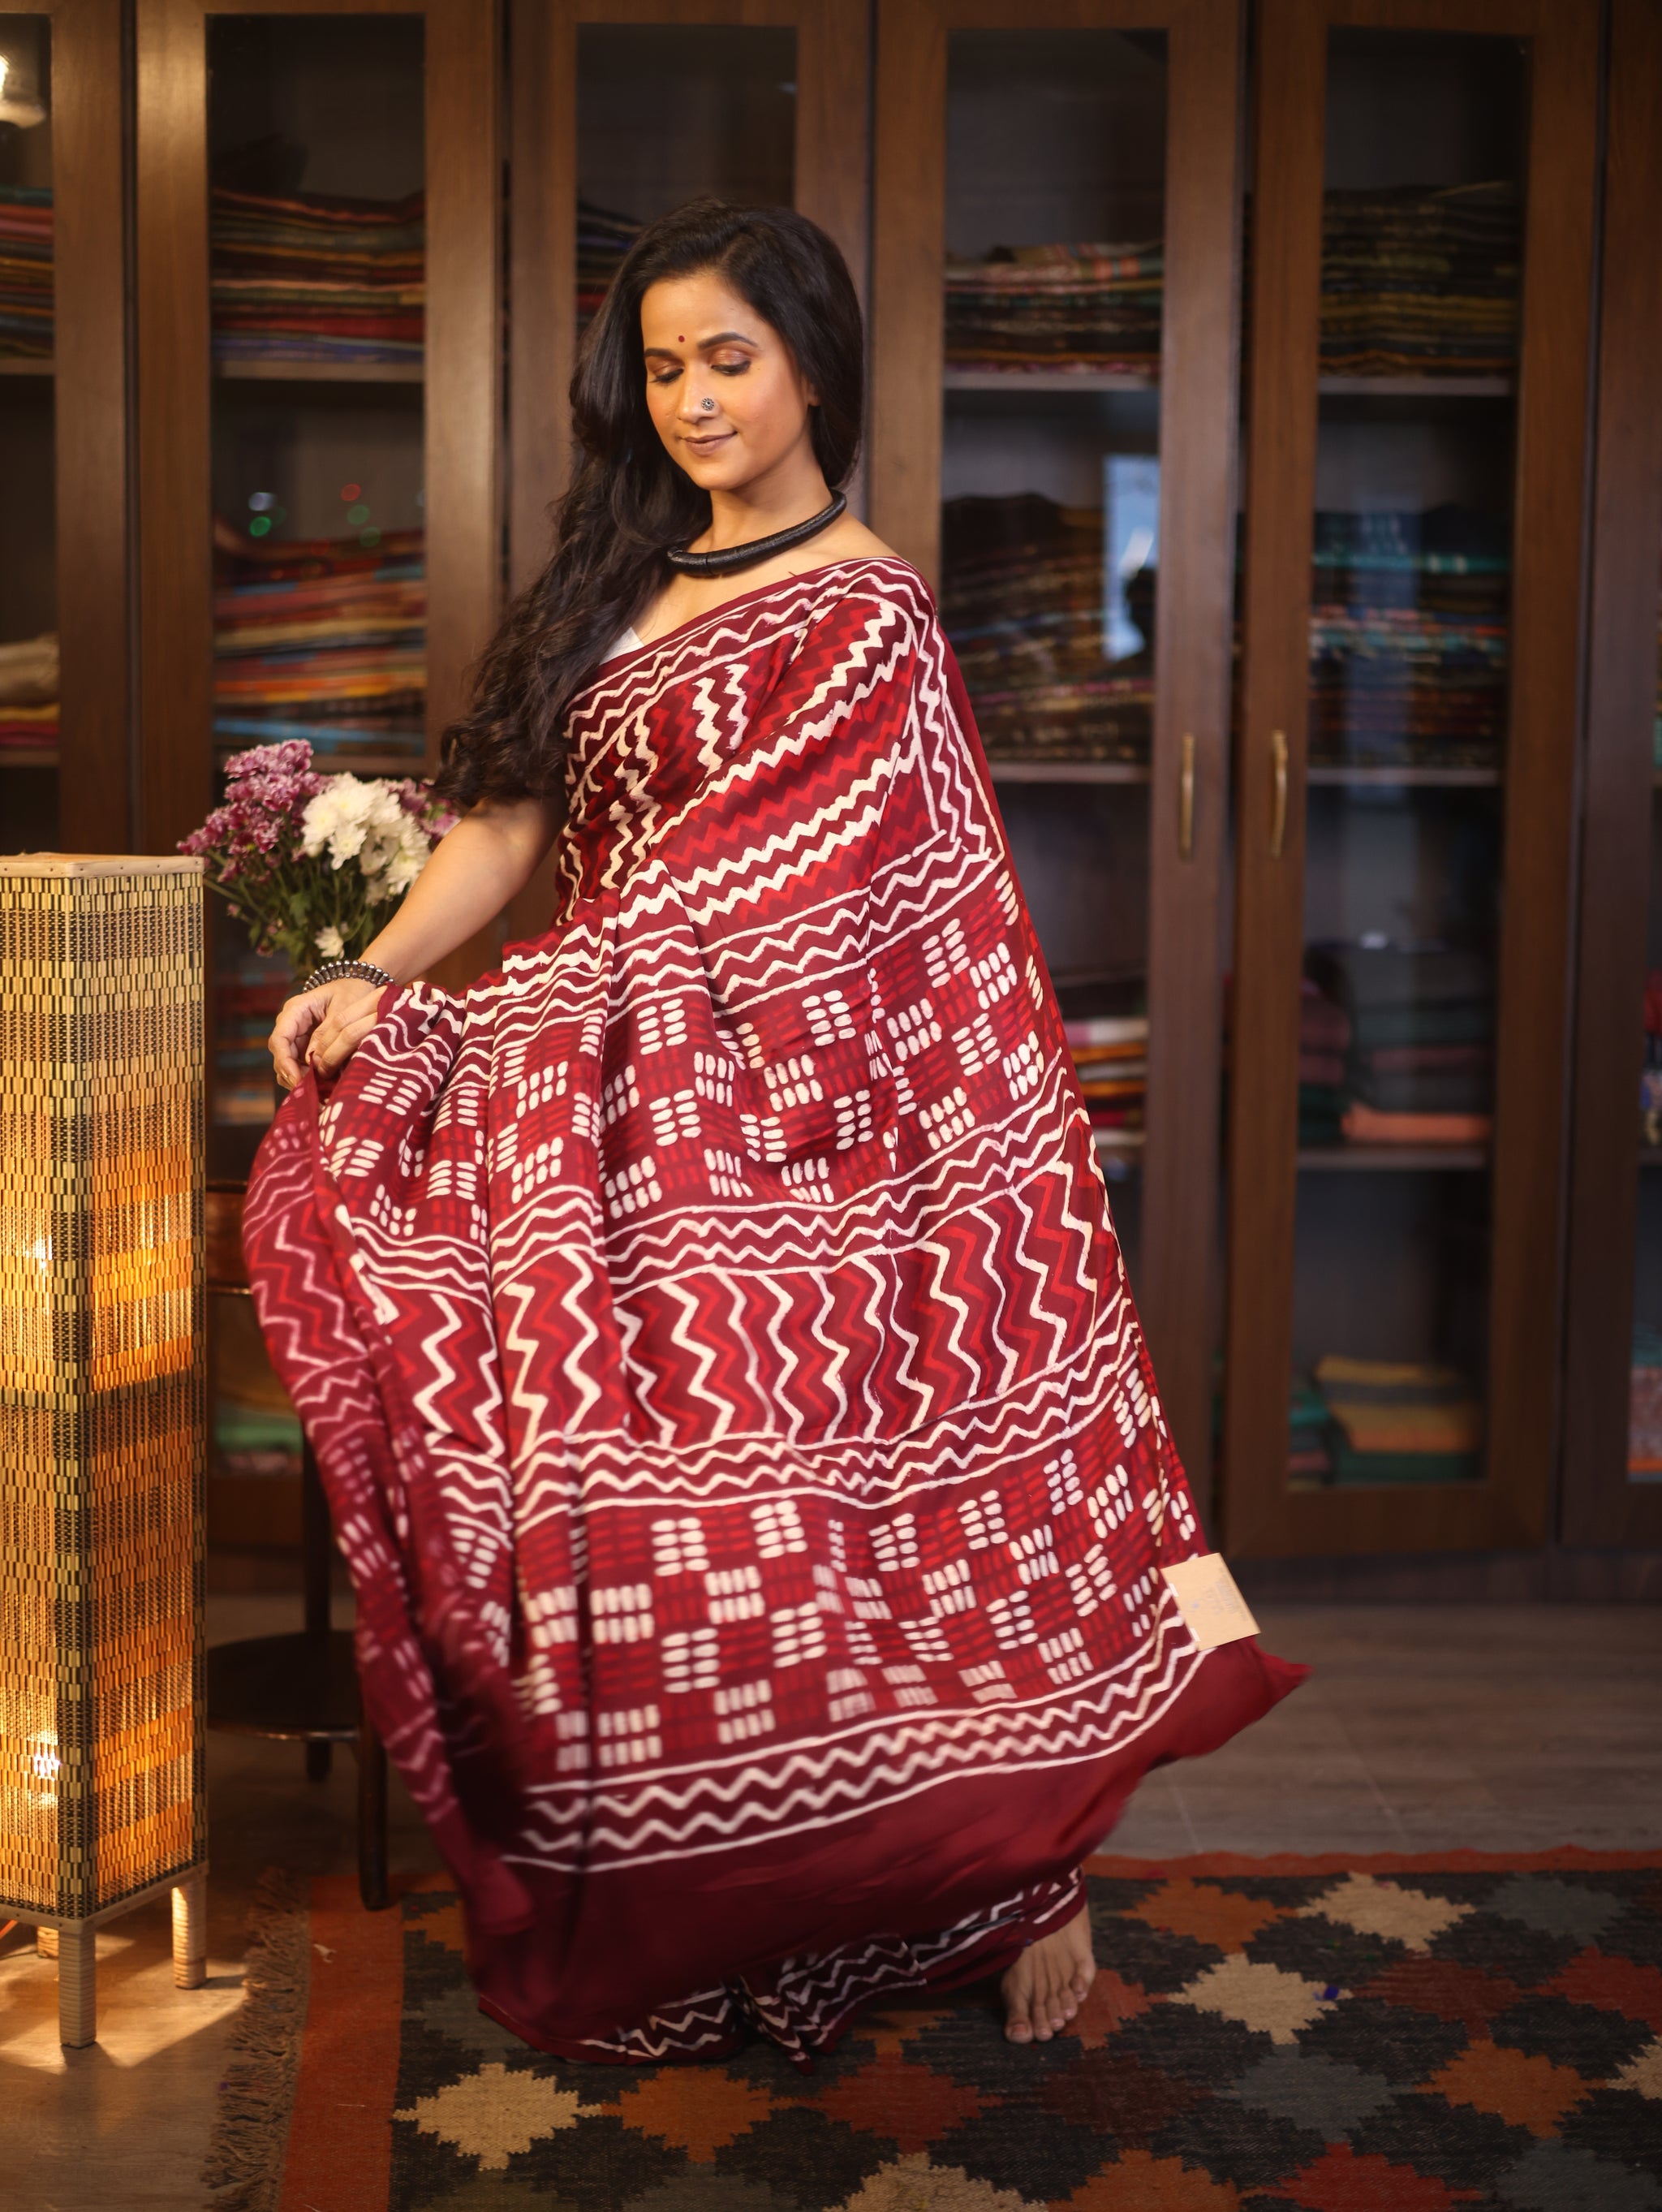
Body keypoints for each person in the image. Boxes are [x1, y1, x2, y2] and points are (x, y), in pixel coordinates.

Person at [247, 199, 1302, 2065]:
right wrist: (377, 972)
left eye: (727, 359)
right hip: (609, 1109)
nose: (693, 400)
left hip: (802, 1124)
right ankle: (703, 1877)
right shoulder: (613, 579)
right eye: (662, 367)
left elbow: (808, 890)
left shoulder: (869, 610)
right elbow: (507, 827)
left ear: (813, 363)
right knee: (641, 1521)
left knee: (835, 1518)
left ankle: (1007, 1876)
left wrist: (531, 1006)